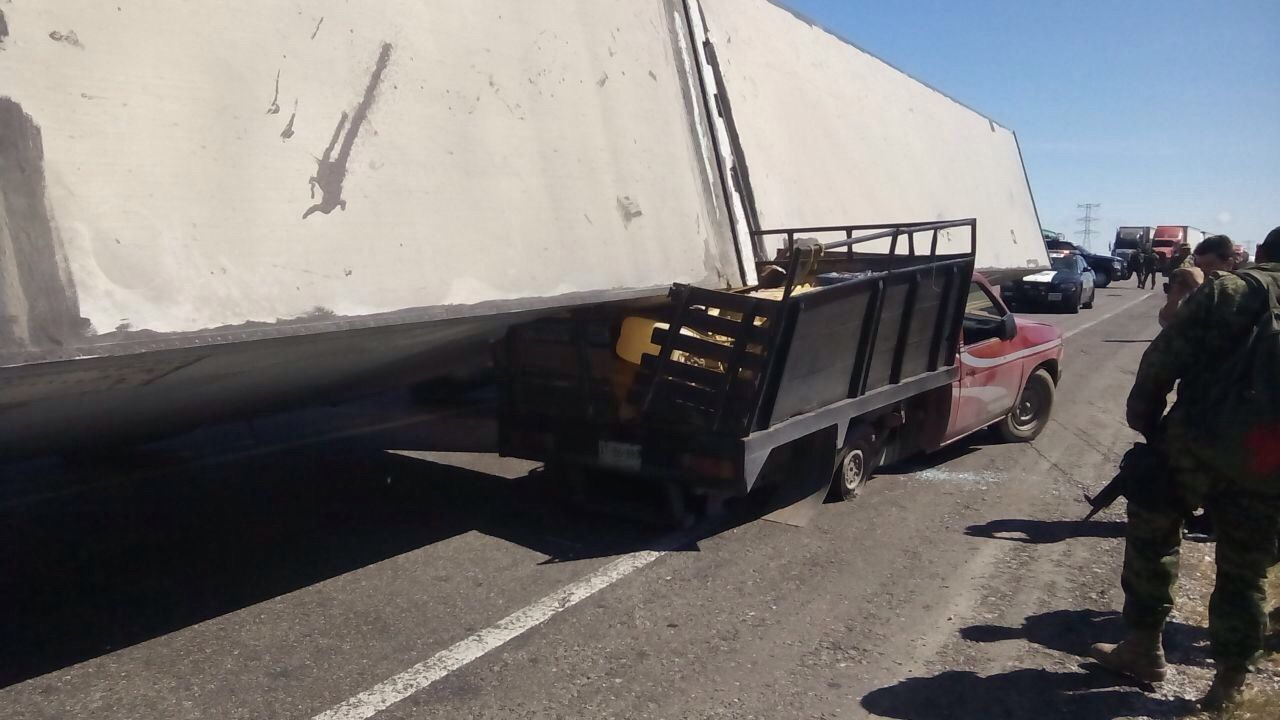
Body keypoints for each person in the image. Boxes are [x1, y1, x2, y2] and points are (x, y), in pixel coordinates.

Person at [1090, 226, 1280, 711]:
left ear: (1259, 253)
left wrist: (1147, 420)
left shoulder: (1230, 290)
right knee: (1245, 570)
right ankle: (1228, 684)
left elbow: (1163, 359)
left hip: (1195, 443)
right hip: (1268, 460)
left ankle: (1142, 646)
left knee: (1153, 528)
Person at [1157, 235, 1237, 328]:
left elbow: (1220, 327)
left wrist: (1199, 288)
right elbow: (1166, 323)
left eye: (1209, 265)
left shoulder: (1240, 291)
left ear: (1228, 264)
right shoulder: (1197, 287)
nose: (1201, 270)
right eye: (1198, 265)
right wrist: (1174, 300)